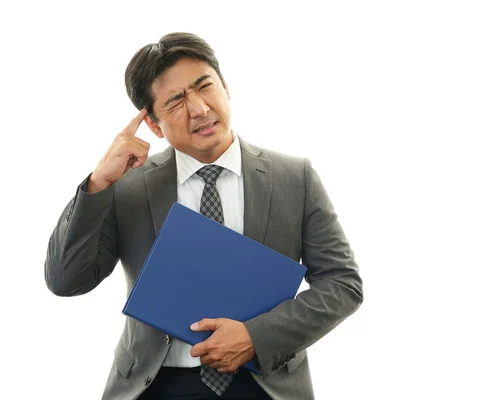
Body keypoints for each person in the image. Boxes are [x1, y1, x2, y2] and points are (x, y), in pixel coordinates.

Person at [45, 32, 363, 400]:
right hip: (157, 385)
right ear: (153, 124)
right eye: (176, 101)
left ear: (226, 88)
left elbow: (342, 284)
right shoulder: (128, 187)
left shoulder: (294, 177)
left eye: (204, 86)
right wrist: (99, 181)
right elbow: (66, 280)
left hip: (263, 384)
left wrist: (256, 337)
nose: (198, 109)